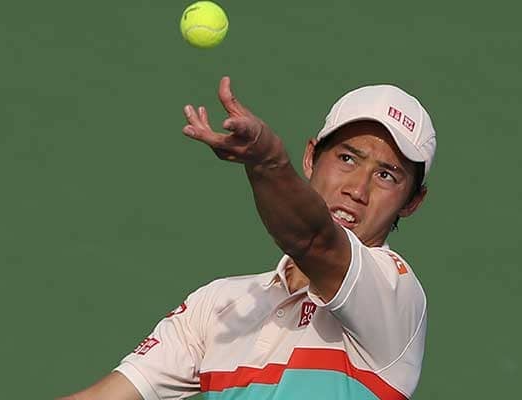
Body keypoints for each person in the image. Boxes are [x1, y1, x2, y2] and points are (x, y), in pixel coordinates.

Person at [60, 76, 436, 400]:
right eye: (347, 159)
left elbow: (315, 240)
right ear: (311, 158)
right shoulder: (217, 305)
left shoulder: (394, 292)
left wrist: (268, 163)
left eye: (386, 175)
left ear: (412, 202)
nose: (357, 189)